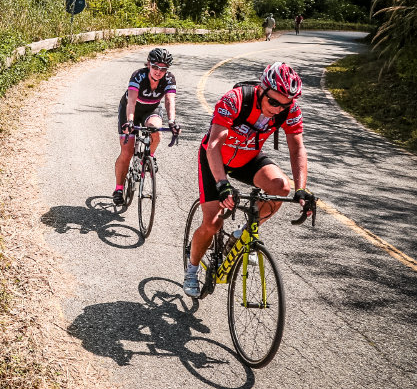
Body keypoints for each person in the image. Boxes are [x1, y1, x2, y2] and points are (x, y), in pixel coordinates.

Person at [183, 62, 316, 297]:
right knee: (213, 223)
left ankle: (242, 234)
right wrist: (222, 185)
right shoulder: (235, 99)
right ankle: (192, 268)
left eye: (284, 104)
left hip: (247, 159)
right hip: (216, 159)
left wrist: (302, 190)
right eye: (273, 102)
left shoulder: (289, 110)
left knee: (281, 187)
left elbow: (297, 148)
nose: (277, 109)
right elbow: (214, 144)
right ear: (261, 89)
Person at [113, 47, 180, 205]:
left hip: (151, 109)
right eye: (155, 67)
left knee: (155, 130)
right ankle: (118, 188)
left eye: (163, 68)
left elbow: (170, 101)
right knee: (127, 152)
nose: (158, 71)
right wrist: (129, 121)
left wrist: (172, 121)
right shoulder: (138, 75)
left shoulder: (169, 79)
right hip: (131, 110)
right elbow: (132, 101)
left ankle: (148, 158)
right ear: (149, 64)